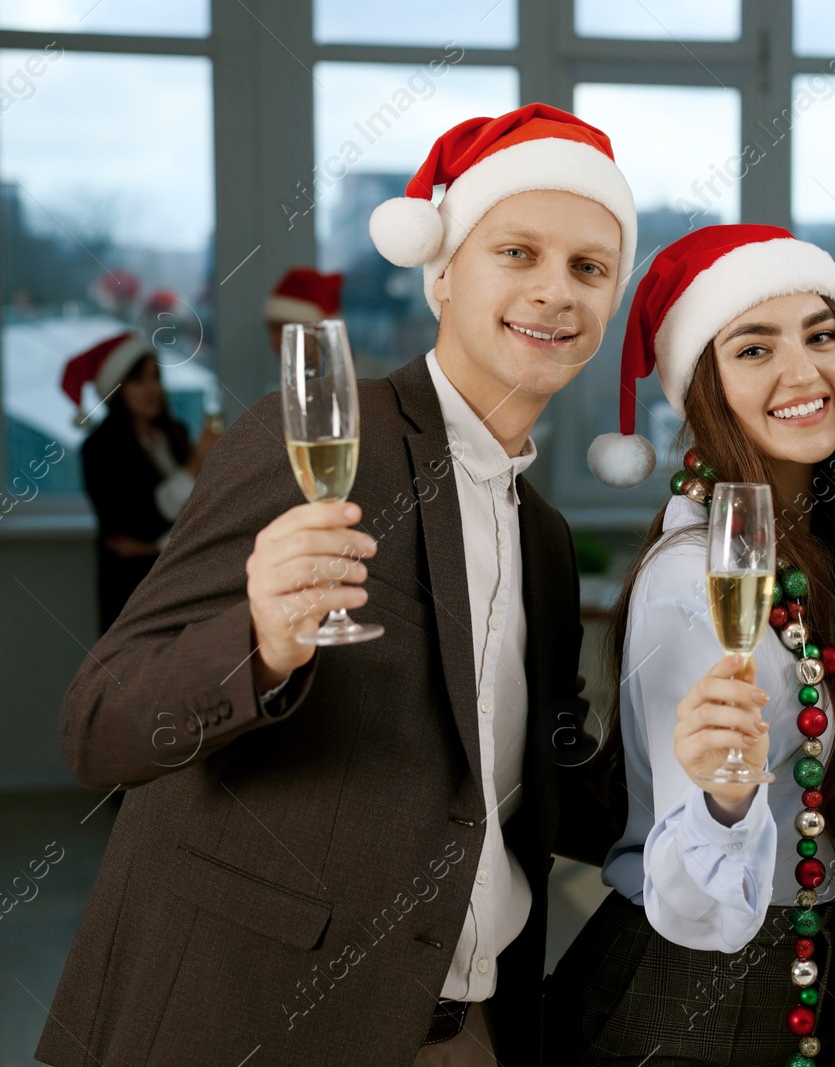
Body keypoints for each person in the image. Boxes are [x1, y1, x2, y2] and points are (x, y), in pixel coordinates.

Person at [35, 103, 638, 1067]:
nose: (555, 292)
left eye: (589, 267)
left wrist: (717, 783)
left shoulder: (546, 539)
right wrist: (261, 643)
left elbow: (536, 788)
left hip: (465, 1028)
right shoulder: (318, 437)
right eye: (517, 252)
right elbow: (99, 722)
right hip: (251, 1024)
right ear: (441, 272)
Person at [545, 225, 835, 1066]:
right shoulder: (696, 581)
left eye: (821, 334)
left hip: (806, 976)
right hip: (693, 997)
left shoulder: (832, 556)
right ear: (703, 387)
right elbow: (690, 885)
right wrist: (726, 798)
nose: (802, 373)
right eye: (754, 348)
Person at [63, 332, 220, 631]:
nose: (152, 390)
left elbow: (202, 510)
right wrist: (192, 467)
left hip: (185, 583)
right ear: (117, 390)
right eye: (138, 382)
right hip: (132, 592)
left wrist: (154, 546)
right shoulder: (99, 449)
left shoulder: (175, 434)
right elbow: (138, 521)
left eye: (155, 378)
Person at [266, 267, 345, 354]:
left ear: (319, 331)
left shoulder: (351, 365)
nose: (274, 343)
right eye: (273, 331)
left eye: (287, 332)